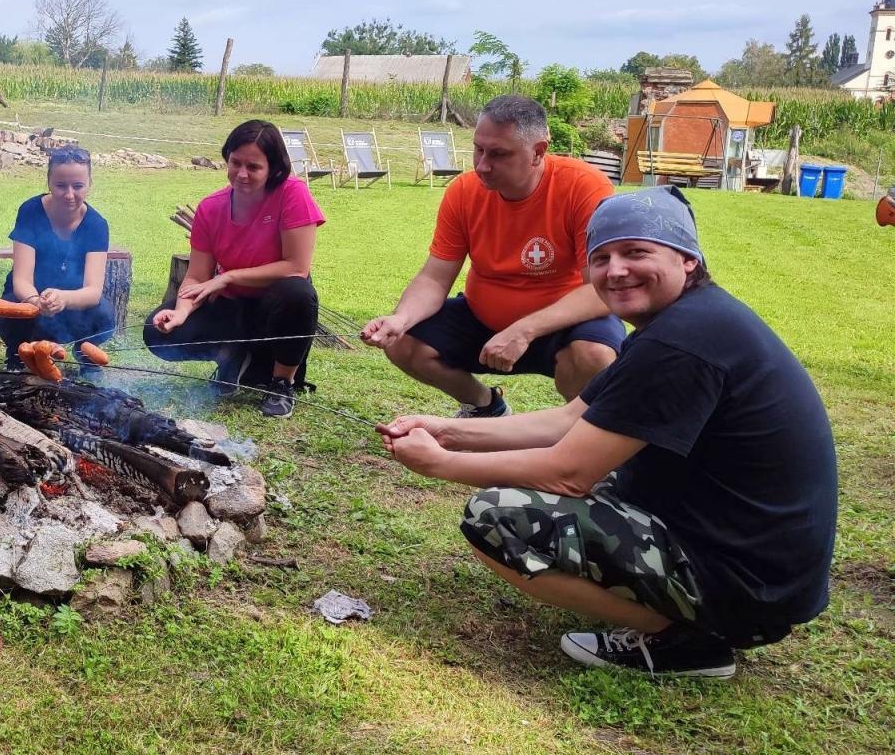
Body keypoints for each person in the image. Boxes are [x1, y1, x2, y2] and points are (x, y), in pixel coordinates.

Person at [377, 187, 837, 677]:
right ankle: (682, 615)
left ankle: (689, 640)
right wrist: (446, 431)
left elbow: (568, 473)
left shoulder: (683, 342)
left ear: (687, 259)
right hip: (738, 551)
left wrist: (439, 464)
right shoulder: (684, 321)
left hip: (745, 583)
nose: (616, 269)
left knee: (496, 516)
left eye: (636, 252)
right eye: (601, 257)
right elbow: (569, 419)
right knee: (569, 484)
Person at [363, 95, 621, 417]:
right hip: (483, 321)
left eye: (498, 154)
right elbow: (434, 276)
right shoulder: (463, 192)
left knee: (594, 355)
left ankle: (588, 436)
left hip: (560, 324)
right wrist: (401, 319)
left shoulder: (583, 186)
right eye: (478, 149)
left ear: (538, 152)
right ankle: (485, 405)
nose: (482, 165)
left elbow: (604, 288)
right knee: (402, 342)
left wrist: (524, 329)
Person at [144, 120, 324, 418]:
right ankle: (231, 354)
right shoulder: (211, 207)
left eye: (253, 167)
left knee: (298, 292)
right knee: (156, 332)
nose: (241, 174)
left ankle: (281, 382)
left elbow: (296, 266)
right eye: (235, 163)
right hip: (233, 309)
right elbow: (198, 276)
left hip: (277, 310)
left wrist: (227, 277)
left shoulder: (292, 194)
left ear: (274, 168)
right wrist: (181, 312)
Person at [0, 146, 114, 376]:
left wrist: (63, 299)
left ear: (89, 184)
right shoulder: (30, 211)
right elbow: (21, 280)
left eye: (78, 186)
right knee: (7, 309)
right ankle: (19, 354)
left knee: (104, 314)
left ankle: (85, 354)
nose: (69, 195)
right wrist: (38, 302)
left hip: (72, 305)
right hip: (32, 300)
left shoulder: (97, 225)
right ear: (49, 182)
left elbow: (93, 291)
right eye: (61, 186)